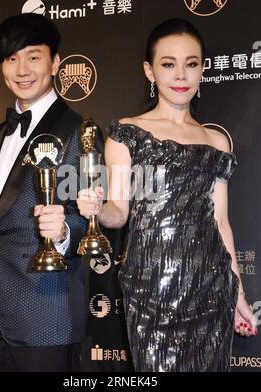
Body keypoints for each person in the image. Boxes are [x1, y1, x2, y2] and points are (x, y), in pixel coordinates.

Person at [77, 18, 257, 372]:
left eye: (191, 64)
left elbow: (221, 222)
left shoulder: (215, 142)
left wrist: (238, 293)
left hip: (211, 288)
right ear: (149, 70)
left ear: (202, 70)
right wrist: (97, 209)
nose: (181, 76)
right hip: (151, 290)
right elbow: (119, 213)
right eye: (168, 64)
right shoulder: (128, 133)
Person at [0, 13, 97, 372]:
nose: (22, 69)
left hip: (45, 311)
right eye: (11, 58)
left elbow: (93, 216)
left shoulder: (77, 131)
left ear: (55, 63)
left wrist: (66, 231)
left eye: (33, 56)